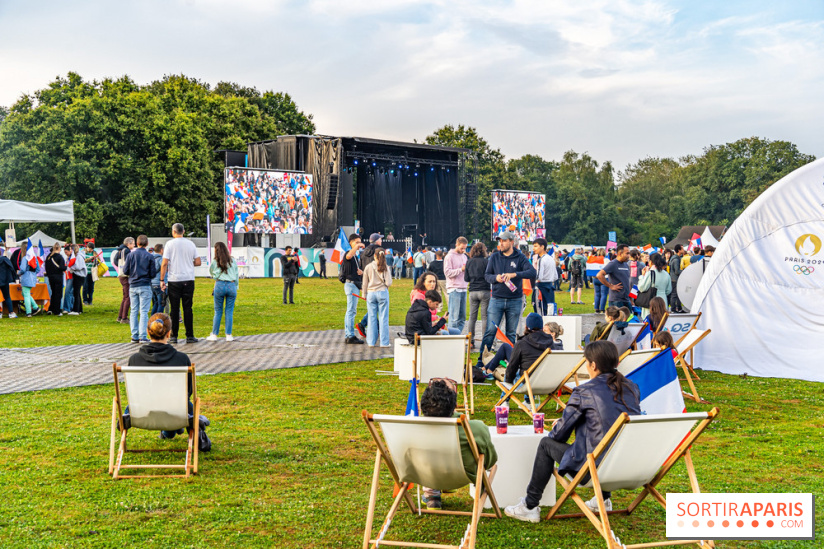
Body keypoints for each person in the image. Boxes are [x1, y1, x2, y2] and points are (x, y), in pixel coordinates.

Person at [505, 340, 641, 522]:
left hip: (593, 469)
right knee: (607, 439)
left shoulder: (584, 391)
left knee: (546, 444)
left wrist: (558, 427)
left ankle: (529, 505)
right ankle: (604, 499)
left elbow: (560, 435)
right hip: (627, 465)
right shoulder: (632, 387)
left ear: (593, 365)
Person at [419, 379, 498, 510]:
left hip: (424, 474)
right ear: (455, 405)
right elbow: (490, 461)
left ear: (423, 405)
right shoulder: (476, 429)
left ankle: (431, 495)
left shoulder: (411, 427)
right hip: (461, 476)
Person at [126, 313, 205, 441]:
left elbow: (132, 390)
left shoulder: (135, 359)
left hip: (141, 411)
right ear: (169, 333)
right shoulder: (181, 359)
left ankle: (169, 431)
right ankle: (172, 429)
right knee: (185, 405)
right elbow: (188, 392)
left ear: (147, 332)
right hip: (175, 410)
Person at [480, 231, 537, 353]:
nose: (501, 243)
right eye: (500, 241)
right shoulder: (494, 257)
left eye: (504, 241)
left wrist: (514, 274)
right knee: (490, 331)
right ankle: (481, 360)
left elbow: (532, 272)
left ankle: (510, 360)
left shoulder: (520, 257)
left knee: (511, 333)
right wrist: (496, 278)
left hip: (515, 300)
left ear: (511, 242)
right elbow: (487, 275)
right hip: (497, 299)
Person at [160, 223, 201, 344]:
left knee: (174, 308)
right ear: (183, 231)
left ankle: (174, 336)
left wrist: (162, 280)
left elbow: (164, 263)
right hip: (188, 279)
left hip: (174, 279)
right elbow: (198, 262)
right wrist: (188, 263)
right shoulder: (191, 244)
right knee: (188, 308)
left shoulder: (169, 244)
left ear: (173, 232)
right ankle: (190, 335)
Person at [123, 235, 157, 342]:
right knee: (144, 311)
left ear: (137, 243)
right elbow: (152, 273)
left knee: (133, 310)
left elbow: (125, 271)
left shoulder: (130, 255)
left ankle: (135, 335)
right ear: (147, 244)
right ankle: (143, 336)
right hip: (145, 284)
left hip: (133, 285)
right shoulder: (150, 256)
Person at [207, 241, 239, 342]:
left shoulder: (215, 261)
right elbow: (237, 274)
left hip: (220, 285)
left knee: (218, 311)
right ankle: (228, 335)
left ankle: (214, 334)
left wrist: (216, 276)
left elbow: (211, 272)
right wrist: (236, 286)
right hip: (231, 285)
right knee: (229, 311)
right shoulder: (232, 260)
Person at [362, 248, 392, 347]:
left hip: (371, 293)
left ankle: (371, 341)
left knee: (371, 318)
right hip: (382, 292)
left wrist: (364, 294)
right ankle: (384, 342)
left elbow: (364, 283)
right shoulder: (386, 267)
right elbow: (388, 283)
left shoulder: (368, 267)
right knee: (383, 318)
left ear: (374, 256)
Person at [341, 232, 366, 344]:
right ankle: (350, 335)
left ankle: (349, 334)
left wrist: (360, 273)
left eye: (360, 242)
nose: (359, 244)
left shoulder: (356, 257)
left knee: (351, 310)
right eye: (357, 242)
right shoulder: (348, 254)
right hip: (351, 285)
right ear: (351, 243)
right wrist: (356, 246)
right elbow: (348, 256)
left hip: (354, 284)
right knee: (351, 311)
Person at [465, 242, 490, 351]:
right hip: (484, 290)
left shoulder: (469, 262)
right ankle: (484, 343)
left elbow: (466, 278)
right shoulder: (486, 262)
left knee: (472, 317)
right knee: (484, 317)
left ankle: (471, 341)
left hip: (473, 291)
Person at [597, 244, 632, 310]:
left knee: (630, 319)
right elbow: (599, 275)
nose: (629, 256)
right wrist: (610, 286)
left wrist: (631, 299)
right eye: (627, 253)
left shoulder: (626, 264)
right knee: (617, 320)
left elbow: (627, 281)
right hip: (616, 300)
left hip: (626, 300)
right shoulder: (613, 263)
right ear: (620, 253)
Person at [444, 237, 468, 333]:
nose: (463, 250)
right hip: (454, 288)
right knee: (454, 317)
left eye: (465, 248)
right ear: (456, 245)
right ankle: (451, 338)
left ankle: (457, 336)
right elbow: (447, 272)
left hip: (464, 288)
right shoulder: (449, 257)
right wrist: (460, 270)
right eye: (461, 248)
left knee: (462, 318)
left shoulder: (464, 256)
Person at [638, 253, 672, 318]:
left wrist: (642, 276)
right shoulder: (666, 274)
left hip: (652, 301)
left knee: (650, 322)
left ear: (651, 262)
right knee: (662, 322)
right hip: (663, 301)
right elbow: (668, 290)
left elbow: (641, 288)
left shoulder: (650, 273)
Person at [532, 238, 558, 315]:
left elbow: (538, 277)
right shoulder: (551, 258)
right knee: (550, 310)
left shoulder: (541, 259)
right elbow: (556, 276)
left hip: (540, 288)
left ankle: (541, 326)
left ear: (542, 247)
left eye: (536, 246)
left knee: (539, 311)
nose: (534, 248)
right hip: (550, 287)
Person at [16, 241, 42, 317]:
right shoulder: (34, 259)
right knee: (24, 293)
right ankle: (35, 307)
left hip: (26, 277)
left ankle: (29, 312)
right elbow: (38, 269)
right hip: (33, 277)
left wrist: (18, 273)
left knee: (26, 295)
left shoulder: (25, 258)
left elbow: (23, 269)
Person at [114, 237, 135, 323]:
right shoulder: (126, 251)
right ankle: (124, 318)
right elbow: (129, 262)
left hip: (121, 275)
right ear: (128, 244)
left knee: (125, 297)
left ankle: (120, 316)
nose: (134, 245)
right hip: (126, 275)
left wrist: (120, 267)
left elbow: (115, 261)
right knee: (128, 297)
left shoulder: (119, 250)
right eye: (133, 243)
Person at [45, 243, 66, 316]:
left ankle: (51, 308)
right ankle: (57, 311)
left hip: (50, 277)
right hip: (58, 276)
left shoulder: (48, 257)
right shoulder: (60, 257)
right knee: (58, 294)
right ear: (59, 248)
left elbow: (46, 268)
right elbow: (62, 267)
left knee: (53, 293)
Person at [68, 244, 87, 315]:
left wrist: (71, 268)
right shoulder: (79, 256)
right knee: (77, 293)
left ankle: (76, 310)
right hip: (79, 275)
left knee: (76, 293)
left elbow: (78, 266)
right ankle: (79, 309)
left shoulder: (78, 257)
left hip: (79, 276)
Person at [0, 246, 17, 318]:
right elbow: (12, 268)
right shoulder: (5, 260)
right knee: (7, 297)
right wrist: (13, 278)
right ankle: (11, 312)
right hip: (5, 280)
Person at [668, 245, 685, 313]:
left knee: (677, 294)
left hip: (674, 278)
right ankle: (673, 309)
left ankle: (679, 308)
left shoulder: (675, 258)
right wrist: (684, 271)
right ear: (679, 250)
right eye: (682, 249)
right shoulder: (676, 259)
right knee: (674, 294)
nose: (684, 250)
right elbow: (677, 271)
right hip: (675, 279)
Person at [150, 244, 165, 315]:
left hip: (152, 283)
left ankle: (152, 320)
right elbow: (163, 269)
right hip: (159, 283)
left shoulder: (150, 258)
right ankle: (158, 320)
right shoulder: (161, 259)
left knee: (155, 303)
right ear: (161, 250)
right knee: (162, 303)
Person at [82, 240, 98, 305]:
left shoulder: (95, 253)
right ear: (87, 247)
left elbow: (99, 261)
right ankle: (85, 300)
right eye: (90, 249)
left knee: (91, 287)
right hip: (85, 272)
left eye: (92, 249)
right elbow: (82, 261)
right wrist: (90, 259)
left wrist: (96, 260)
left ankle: (90, 300)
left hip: (92, 272)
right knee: (85, 286)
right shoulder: (83, 252)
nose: (91, 250)